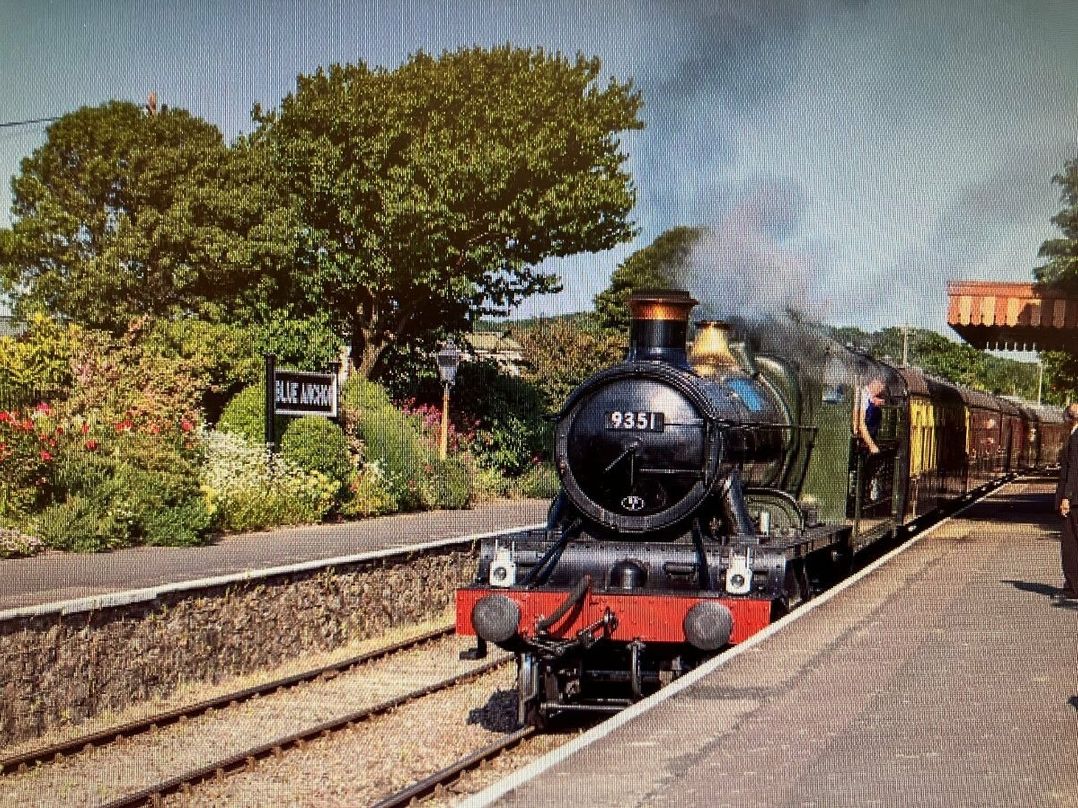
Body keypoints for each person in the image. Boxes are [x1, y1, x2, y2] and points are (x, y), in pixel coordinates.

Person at [1055, 403, 1078, 600]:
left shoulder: (1076, 437)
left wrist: (1066, 497)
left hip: (1075, 500)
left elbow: (1074, 469)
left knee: (1070, 545)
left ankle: (1073, 588)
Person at [856, 377, 886, 455]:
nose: (881, 391)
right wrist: (872, 446)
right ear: (875, 382)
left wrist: (875, 401)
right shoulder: (863, 395)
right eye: (880, 387)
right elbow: (861, 424)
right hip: (860, 438)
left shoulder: (868, 395)